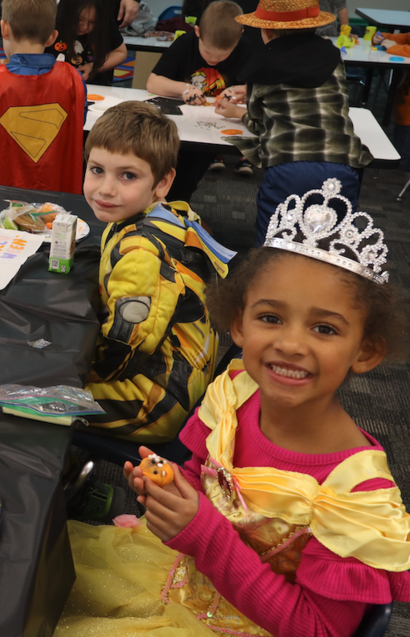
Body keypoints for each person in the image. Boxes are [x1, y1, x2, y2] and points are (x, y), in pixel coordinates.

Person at [57, 180, 410, 636]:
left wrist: (204, 535)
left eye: (324, 328)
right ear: (238, 325)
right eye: (270, 318)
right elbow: (196, 472)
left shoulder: (357, 499)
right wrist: (166, 492)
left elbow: (318, 629)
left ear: (365, 351)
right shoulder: (235, 392)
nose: (290, 343)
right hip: (182, 576)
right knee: (37, 571)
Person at [82, 101, 232, 447]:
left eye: (127, 175)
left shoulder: (141, 254)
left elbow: (124, 350)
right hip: (183, 376)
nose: (105, 189)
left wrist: (64, 370)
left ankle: (79, 487)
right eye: (96, 170)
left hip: (154, 402)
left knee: (26, 399)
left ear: (163, 182)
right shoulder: (162, 215)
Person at [215, 0, 371, 246]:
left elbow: (261, 126)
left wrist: (237, 112)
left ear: (266, 31)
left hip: (289, 164)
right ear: (313, 27)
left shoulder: (261, 68)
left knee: (276, 246)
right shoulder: (332, 55)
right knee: (330, 247)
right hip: (343, 163)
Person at [0, 0, 88, 195]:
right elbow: (77, 126)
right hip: (54, 187)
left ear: (4, 29)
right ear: (52, 37)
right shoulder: (73, 79)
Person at [148, 1, 253, 197]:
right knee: (159, 169)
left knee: (188, 178)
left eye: (222, 56)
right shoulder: (185, 43)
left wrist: (240, 90)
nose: (213, 60)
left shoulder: (246, 49)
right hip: (176, 126)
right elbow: (153, 82)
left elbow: (257, 88)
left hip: (212, 130)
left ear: (238, 39)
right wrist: (184, 88)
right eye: (207, 52)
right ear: (197, 32)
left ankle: (179, 205)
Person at [47, 0, 127, 85]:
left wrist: (94, 67)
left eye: (92, 22)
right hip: (53, 85)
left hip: (94, 87)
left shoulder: (105, 24)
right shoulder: (51, 23)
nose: (85, 27)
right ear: (65, 13)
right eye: (79, 19)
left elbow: (120, 52)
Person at [373, 29, 410, 172]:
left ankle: (399, 170)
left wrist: (393, 46)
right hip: (404, 103)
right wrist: (383, 38)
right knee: (401, 130)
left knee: (404, 144)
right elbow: (403, 37)